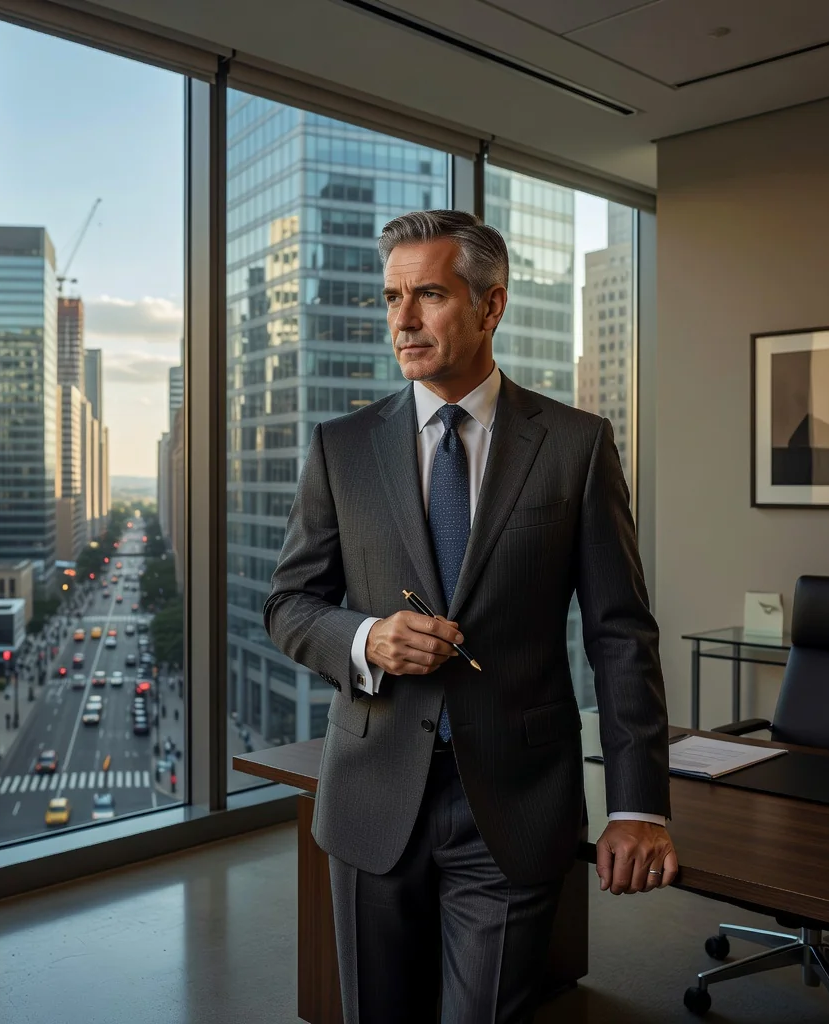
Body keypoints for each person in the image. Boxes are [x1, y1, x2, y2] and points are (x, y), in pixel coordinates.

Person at [264, 211, 676, 1024]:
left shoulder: (576, 445)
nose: (403, 320)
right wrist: (366, 638)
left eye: (427, 295)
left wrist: (638, 805)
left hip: (515, 805)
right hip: (372, 797)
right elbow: (289, 605)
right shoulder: (342, 446)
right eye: (391, 298)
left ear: (491, 307)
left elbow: (620, 633)